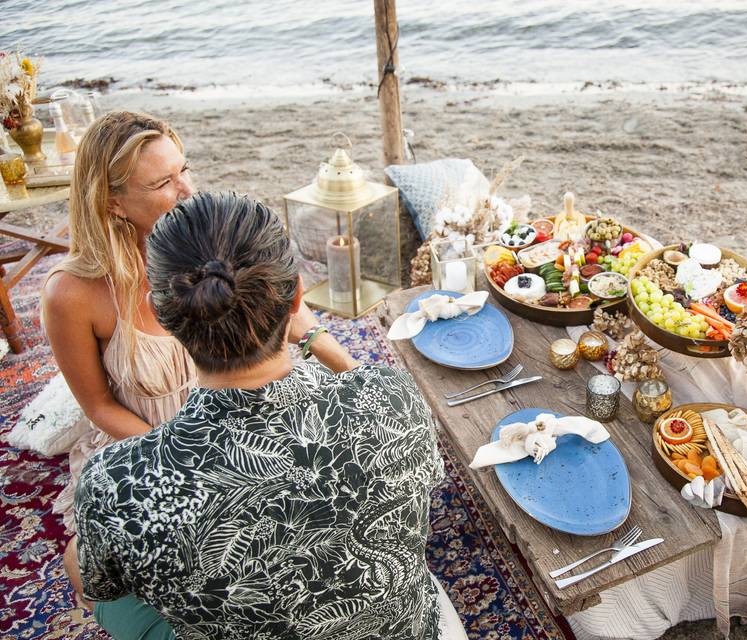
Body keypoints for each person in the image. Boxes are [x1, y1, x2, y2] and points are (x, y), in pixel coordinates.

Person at [65, 192, 465, 640]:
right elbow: (371, 392)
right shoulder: (394, 396)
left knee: (81, 563)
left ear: (162, 312)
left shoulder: (116, 484)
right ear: (296, 297)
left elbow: (98, 583)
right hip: (407, 630)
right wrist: (316, 337)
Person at [42, 111, 356, 532]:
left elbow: (288, 303)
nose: (187, 191)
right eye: (161, 184)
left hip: (248, 414)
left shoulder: (212, 237)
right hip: (155, 444)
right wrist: (193, 466)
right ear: (111, 202)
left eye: (183, 169)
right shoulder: (72, 295)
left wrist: (355, 375)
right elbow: (98, 405)